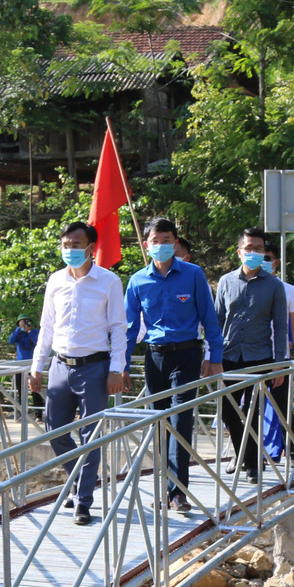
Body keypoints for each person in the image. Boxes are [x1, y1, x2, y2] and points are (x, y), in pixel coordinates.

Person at [29, 222, 126, 526]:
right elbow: (46, 326)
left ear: (90, 248)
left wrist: (116, 369)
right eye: (65, 244)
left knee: (90, 435)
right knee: (55, 430)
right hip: (60, 365)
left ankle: (83, 501)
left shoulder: (108, 281)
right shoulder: (56, 280)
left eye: (76, 244)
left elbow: (118, 328)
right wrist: (36, 367)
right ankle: (80, 479)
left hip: (94, 367)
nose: (69, 250)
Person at [124, 218, 224, 513]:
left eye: (167, 240)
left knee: (181, 421)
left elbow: (209, 318)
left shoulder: (193, 274)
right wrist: (122, 365)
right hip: (155, 357)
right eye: (155, 241)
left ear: (176, 242)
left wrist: (215, 357)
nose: (161, 246)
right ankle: (163, 489)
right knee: (159, 423)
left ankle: (178, 492)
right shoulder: (137, 281)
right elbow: (129, 328)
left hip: (187, 354)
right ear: (147, 245)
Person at [213, 227, 288, 483]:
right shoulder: (226, 281)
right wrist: (211, 356)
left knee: (254, 411)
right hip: (229, 355)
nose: (253, 253)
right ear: (239, 252)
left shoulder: (274, 286)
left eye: (258, 249)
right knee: (228, 410)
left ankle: (253, 464)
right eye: (249, 248)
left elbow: (281, 326)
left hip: (260, 356)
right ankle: (243, 453)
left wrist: (279, 363)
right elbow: (217, 320)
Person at [259, 246, 294, 462]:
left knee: (282, 404)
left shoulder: (289, 290)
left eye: (266, 258)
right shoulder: (245, 286)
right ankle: (248, 452)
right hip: (252, 354)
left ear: (276, 262)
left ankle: (291, 447)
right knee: (249, 406)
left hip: (280, 356)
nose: (262, 261)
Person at [8, 315, 42, 415]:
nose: (25, 324)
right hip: (20, 366)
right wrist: (19, 329)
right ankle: (21, 414)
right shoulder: (18, 334)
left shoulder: (35, 332)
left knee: (35, 390)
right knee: (21, 391)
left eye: (27, 322)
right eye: (22, 322)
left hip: (33, 366)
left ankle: (38, 415)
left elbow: (37, 341)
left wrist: (29, 331)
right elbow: (11, 340)